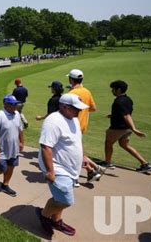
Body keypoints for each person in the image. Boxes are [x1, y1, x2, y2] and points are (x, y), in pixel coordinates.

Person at [37, 93, 88, 236]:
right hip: (57, 166)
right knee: (65, 200)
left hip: (70, 167)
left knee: (61, 196)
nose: (79, 111)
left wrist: (82, 156)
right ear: (64, 107)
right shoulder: (53, 121)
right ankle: (44, 215)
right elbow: (46, 147)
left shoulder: (74, 119)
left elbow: (75, 140)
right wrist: (50, 172)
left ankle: (56, 220)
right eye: (76, 108)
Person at [101, 80, 151, 172]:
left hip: (118, 128)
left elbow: (126, 115)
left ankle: (107, 163)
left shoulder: (118, 101)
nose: (112, 91)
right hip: (126, 129)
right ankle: (145, 164)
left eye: (113, 89)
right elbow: (124, 112)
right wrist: (113, 115)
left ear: (118, 90)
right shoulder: (128, 99)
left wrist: (134, 129)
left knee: (108, 143)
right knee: (124, 145)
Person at [67, 69, 104, 184]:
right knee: (77, 151)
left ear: (71, 79)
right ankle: (95, 168)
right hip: (82, 127)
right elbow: (93, 108)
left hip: (72, 128)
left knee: (72, 153)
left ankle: (90, 171)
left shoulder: (70, 94)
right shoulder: (87, 92)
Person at [0, 95, 24, 197]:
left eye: (16, 104)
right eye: (13, 104)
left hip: (13, 148)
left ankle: (5, 185)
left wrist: (21, 142)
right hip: (1, 149)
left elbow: (20, 129)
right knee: (2, 168)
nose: (15, 106)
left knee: (11, 166)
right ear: (5, 105)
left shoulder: (17, 114)